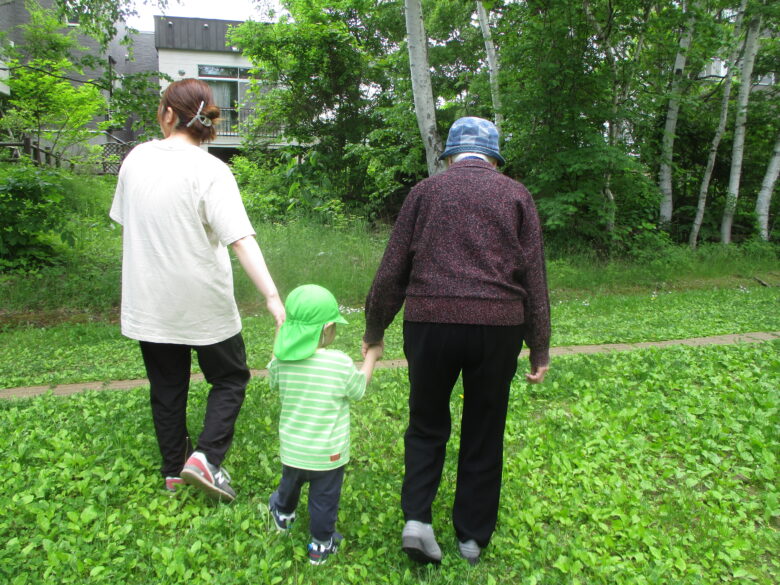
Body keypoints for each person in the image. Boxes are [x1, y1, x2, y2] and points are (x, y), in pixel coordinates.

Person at [362, 116, 551, 565]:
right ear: (494, 157)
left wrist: (375, 329)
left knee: (426, 422)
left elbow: (392, 270)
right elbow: (535, 277)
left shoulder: (424, 193)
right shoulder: (516, 195)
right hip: (498, 326)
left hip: (430, 322)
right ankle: (471, 537)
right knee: (485, 428)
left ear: (449, 155)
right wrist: (539, 344)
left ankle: (418, 520)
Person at [110, 78, 285, 502]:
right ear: (205, 120)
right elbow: (240, 239)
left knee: (167, 387)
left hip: (150, 302)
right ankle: (205, 458)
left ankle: (174, 470)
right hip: (204, 302)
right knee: (229, 378)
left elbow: (126, 220)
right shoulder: (212, 170)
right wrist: (272, 298)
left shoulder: (135, 159)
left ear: (169, 114)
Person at [266, 284, 383, 565]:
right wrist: (372, 357)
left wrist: (279, 335)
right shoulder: (339, 363)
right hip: (328, 455)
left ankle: (282, 514)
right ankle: (320, 545)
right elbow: (357, 389)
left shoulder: (283, 361)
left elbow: (272, 377)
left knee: (289, 485)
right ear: (328, 327)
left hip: (294, 450)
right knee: (323, 501)